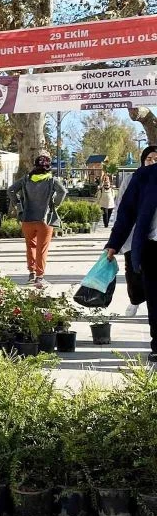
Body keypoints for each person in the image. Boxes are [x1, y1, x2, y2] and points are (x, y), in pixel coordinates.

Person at [105, 146, 157, 362]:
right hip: (153, 248)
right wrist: (114, 243)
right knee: (155, 299)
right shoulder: (145, 176)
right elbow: (126, 212)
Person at [8, 152, 67, 286]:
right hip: (44, 220)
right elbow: (62, 192)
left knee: (30, 246)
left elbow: (11, 190)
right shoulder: (51, 180)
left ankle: (31, 274)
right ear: (48, 167)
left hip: (27, 219)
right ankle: (40, 277)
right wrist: (54, 205)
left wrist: (18, 204)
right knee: (42, 248)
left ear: (34, 166)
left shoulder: (26, 179)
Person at [115, 146, 157, 317]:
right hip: (132, 236)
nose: (153, 162)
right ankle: (135, 300)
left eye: (156, 159)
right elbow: (122, 208)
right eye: (149, 159)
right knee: (133, 272)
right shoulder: (132, 179)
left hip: (151, 238)